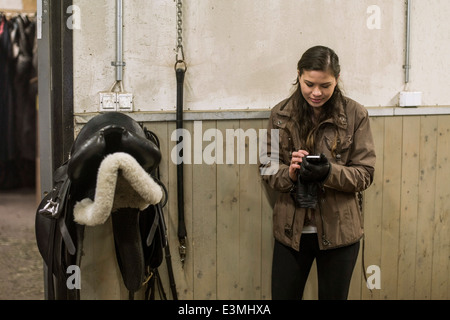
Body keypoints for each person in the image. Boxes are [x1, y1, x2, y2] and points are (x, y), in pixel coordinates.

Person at [260, 45, 376, 300]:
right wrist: (290, 173)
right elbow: (267, 168)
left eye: (326, 85)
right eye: (309, 83)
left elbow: (365, 173)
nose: (316, 92)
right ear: (299, 75)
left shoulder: (356, 114)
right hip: (291, 234)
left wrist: (328, 172)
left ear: (337, 80)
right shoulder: (279, 114)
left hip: (340, 235)